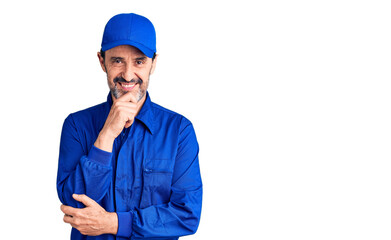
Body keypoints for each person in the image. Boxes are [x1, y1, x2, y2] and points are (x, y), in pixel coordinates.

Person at [57, 13, 202, 240]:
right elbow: (72, 205)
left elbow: (187, 215)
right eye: (117, 60)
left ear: (153, 63)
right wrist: (105, 137)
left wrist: (114, 223)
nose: (127, 74)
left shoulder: (179, 131)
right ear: (101, 61)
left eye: (139, 61)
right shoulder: (77, 126)